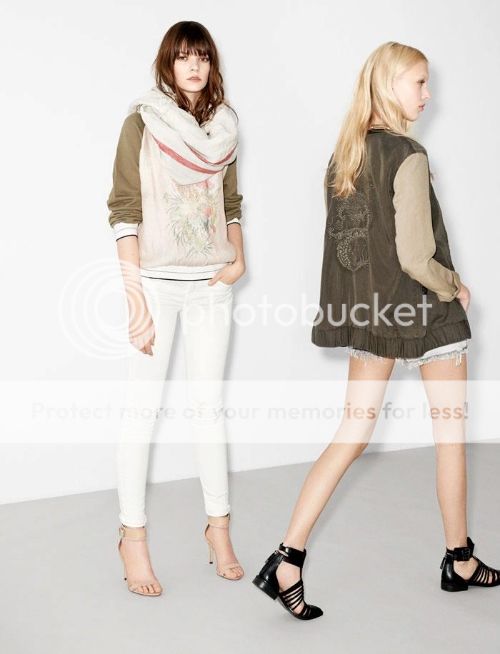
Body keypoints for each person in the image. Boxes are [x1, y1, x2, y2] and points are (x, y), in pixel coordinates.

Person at [253, 41, 499, 620]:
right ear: (391, 86)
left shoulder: (345, 155)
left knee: (351, 434)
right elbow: (414, 255)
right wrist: (454, 286)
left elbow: (352, 254)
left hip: (373, 315)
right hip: (428, 314)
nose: (428, 94)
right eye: (419, 82)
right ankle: (459, 560)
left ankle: (286, 559)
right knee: (450, 437)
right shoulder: (407, 154)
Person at [107, 21, 245, 596]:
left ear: (212, 65)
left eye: (202, 57)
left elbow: (231, 201)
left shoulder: (225, 126)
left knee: (208, 409)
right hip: (158, 284)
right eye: (183, 56)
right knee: (142, 410)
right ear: (167, 63)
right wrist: (134, 296)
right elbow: (123, 208)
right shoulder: (142, 121)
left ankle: (218, 529)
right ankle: (132, 537)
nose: (194, 66)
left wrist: (238, 257)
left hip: (212, 282)